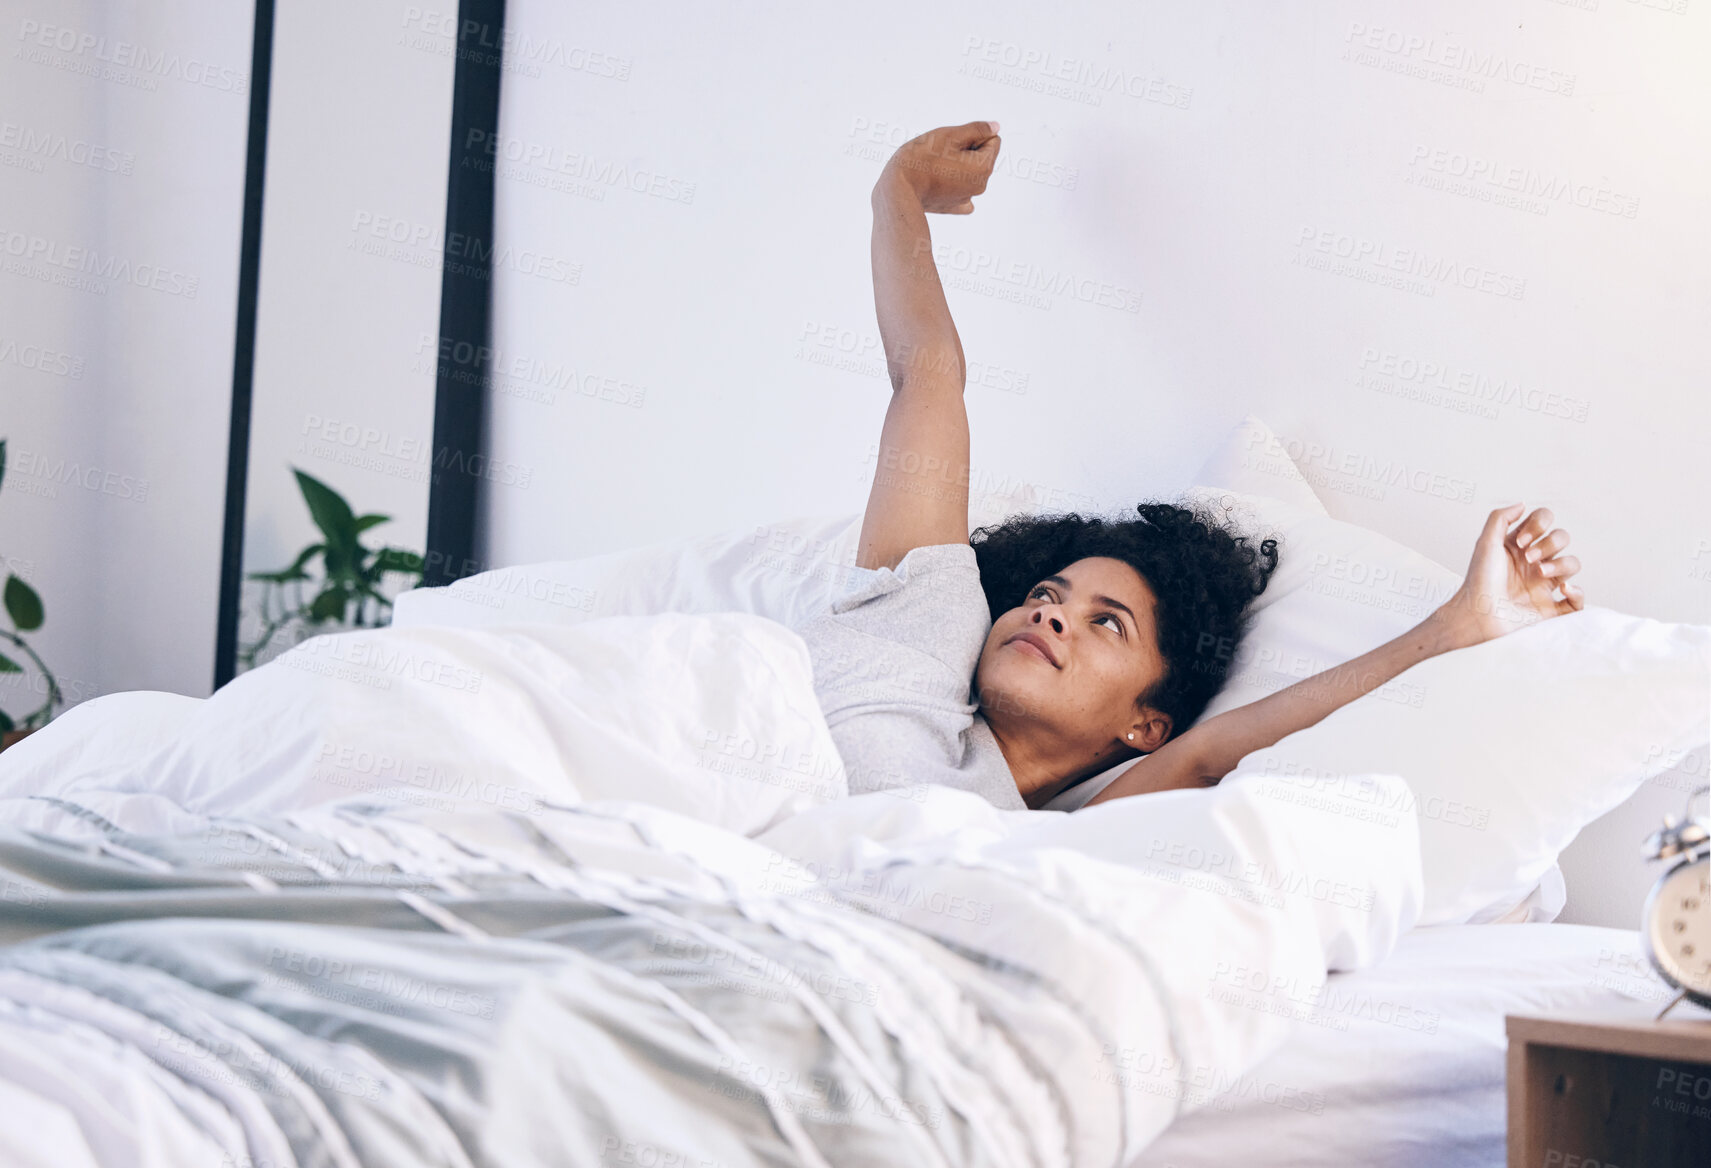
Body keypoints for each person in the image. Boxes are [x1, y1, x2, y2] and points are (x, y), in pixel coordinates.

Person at [794, 121, 1585, 813]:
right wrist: (897, 188)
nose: (1047, 614)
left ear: (1143, 727)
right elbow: (928, 376)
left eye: (1106, 622)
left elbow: (1215, 752)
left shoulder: (1043, 853)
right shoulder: (918, 640)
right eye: (1045, 594)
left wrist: (1457, 626)